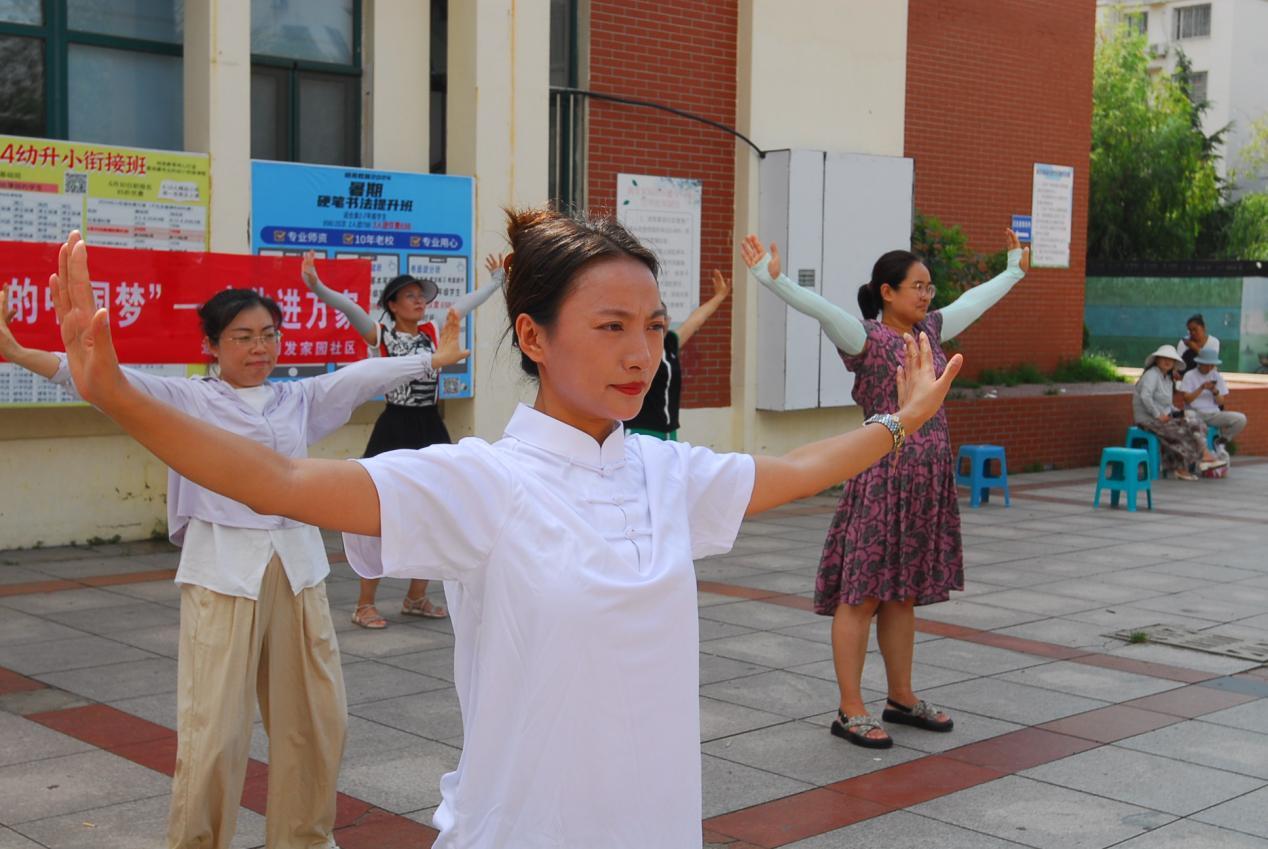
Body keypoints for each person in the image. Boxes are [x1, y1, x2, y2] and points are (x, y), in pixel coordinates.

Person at [51, 208, 960, 849]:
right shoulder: (482, 481)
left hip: (655, 824)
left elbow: (797, 471)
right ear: (533, 336)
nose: (640, 350)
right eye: (609, 326)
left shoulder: (665, 470)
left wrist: (901, 422)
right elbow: (282, 478)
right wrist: (120, 395)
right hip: (522, 827)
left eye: (649, 325)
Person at [2, 257, 468, 849]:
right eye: (243, 338)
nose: (259, 349)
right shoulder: (188, 399)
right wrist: (18, 353)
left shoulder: (294, 401)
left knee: (315, 725)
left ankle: (303, 839)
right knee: (214, 732)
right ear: (212, 346)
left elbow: (358, 377)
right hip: (223, 573)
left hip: (296, 571)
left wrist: (431, 358)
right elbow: (103, 380)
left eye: (269, 335)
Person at [741, 228, 1028, 749]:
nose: (927, 294)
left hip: (925, 487)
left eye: (929, 286)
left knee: (902, 598)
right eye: (916, 286)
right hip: (881, 482)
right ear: (886, 291)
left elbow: (973, 302)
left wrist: (1012, 270)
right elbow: (822, 310)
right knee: (863, 597)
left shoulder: (933, 332)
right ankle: (850, 709)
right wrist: (771, 280)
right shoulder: (868, 340)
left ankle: (901, 697)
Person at [300, 251, 504, 627]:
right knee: (375, 512)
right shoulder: (383, 334)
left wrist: (495, 282)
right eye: (410, 296)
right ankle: (365, 604)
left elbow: (463, 305)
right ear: (392, 305)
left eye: (421, 296)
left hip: (430, 426)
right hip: (395, 425)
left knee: (434, 508)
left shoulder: (435, 332)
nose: (419, 301)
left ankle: (416, 596)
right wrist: (317, 286)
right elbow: (349, 309)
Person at [624, 268, 732, 440]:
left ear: (668, 321)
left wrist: (719, 297)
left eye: (662, 319)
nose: (660, 324)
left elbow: (696, 320)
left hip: (669, 430)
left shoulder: (670, 343)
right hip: (640, 429)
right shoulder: (635, 348)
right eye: (652, 322)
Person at [1132, 344, 1221, 480]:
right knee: (1180, 432)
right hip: (1148, 420)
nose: (1167, 362)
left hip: (1163, 419)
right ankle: (1192, 463)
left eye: (1171, 360)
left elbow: (1167, 404)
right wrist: (1158, 415)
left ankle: (1199, 457)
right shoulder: (1152, 374)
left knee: (1195, 424)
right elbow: (1145, 396)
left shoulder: (1167, 378)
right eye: (1163, 358)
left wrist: (1179, 412)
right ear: (1156, 360)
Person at [1178, 346, 1247, 445]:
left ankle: (1222, 438)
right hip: (1195, 413)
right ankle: (1202, 446)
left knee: (1241, 419)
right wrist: (1201, 388)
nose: (1209, 368)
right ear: (1200, 363)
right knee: (1190, 416)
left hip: (1213, 414)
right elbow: (1187, 399)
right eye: (1207, 365)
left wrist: (1214, 391)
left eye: (1212, 365)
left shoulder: (1216, 376)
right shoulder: (1190, 375)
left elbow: (1221, 402)